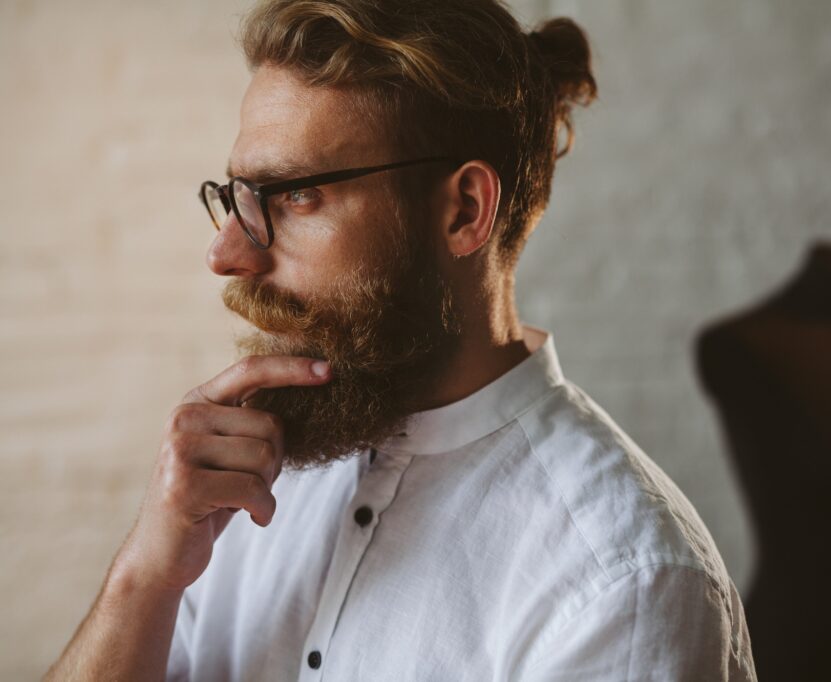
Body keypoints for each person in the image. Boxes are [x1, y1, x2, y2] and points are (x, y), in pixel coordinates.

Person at [45, 1, 757, 679]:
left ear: (464, 211)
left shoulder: (619, 581)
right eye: (236, 197)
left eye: (294, 195)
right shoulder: (242, 488)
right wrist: (143, 577)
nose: (227, 254)